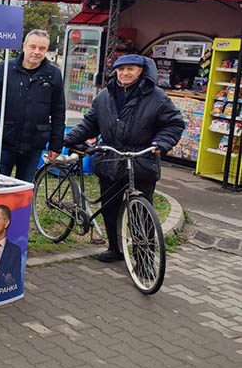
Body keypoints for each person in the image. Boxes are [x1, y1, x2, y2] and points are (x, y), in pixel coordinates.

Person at [64, 55, 184, 263]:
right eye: (121, 69)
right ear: (115, 71)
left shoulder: (157, 97)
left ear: (141, 71)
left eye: (131, 69)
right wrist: (66, 140)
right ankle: (115, 248)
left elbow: (174, 124)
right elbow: (89, 124)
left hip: (141, 160)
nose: (125, 73)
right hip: (110, 159)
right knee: (110, 209)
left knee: (141, 212)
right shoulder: (105, 96)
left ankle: (144, 256)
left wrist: (160, 144)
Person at [0, 29, 66, 182]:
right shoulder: (6, 68)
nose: (36, 52)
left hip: (34, 144)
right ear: (24, 46)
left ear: (46, 50)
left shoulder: (53, 74)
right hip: (5, 141)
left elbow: (58, 112)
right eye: (33, 47)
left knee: (24, 191)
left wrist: (56, 145)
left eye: (42, 48)